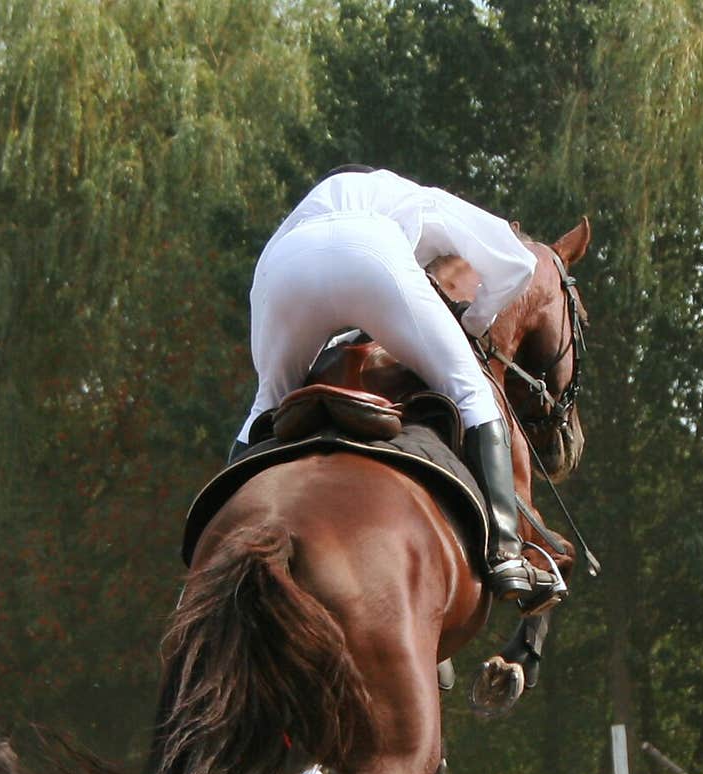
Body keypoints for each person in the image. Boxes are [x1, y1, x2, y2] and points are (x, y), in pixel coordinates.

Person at [231, 164, 558, 605]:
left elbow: (304, 303)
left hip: (282, 266)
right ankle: (505, 552)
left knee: (264, 406)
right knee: (470, 392)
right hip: (373, 252)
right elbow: (517, 263)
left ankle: (219, 557)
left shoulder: (307, 209)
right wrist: (474, 320)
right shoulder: (417, 195)